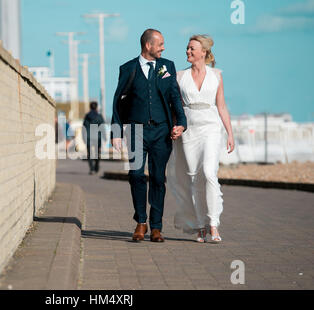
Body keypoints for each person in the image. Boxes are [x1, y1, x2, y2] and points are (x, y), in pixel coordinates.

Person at [111, 29, 187, 242]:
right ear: (148, 46)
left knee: (157, 178)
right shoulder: (127, 68)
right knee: (135, 175)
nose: (163, 48)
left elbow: (175, 96)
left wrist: (181, 123)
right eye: (160, 44)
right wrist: (116, 131)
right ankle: (140, 222)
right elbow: (117, 100)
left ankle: (156, 227)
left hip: (161, 131)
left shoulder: (167, 66)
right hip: (136, 130)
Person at [167, 35, 235, 243]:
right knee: (194, 178)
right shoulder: (179, 76)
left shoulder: (216, 75)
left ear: (203, 52)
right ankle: (200, 225)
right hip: (189, 129)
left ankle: (213, 223)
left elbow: (221, 105)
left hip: (211, 127)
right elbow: (175, 107)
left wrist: (230, 132)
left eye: (192, 48)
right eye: (187, 48)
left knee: (209, 173)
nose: (187, 51)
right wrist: (175, 126)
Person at [83, 101, 107, 175]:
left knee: (89, 154)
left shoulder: (87, 116)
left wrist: (84, 137)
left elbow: (84, 127)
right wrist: (104, 137)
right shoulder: (99, 116)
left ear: (90, 107)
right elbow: (102, 127)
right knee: (97, 153)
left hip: (89, 137)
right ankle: (96, 166)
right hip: (97, 137)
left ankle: (92, 169)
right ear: (96, 107)